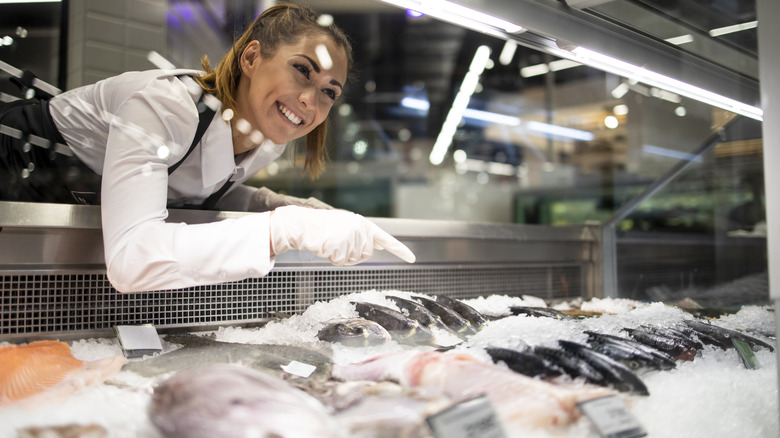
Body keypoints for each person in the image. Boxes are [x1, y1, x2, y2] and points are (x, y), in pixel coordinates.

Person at [0, 3, 415, 293]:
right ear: (252, 58)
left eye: (329, 92)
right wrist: (282, 230)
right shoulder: (166, 108)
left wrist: (278, 204)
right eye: (302, 70)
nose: (310, 100)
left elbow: (192, 181)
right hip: (15, 175)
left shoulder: (267, 139)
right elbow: (130, 261)